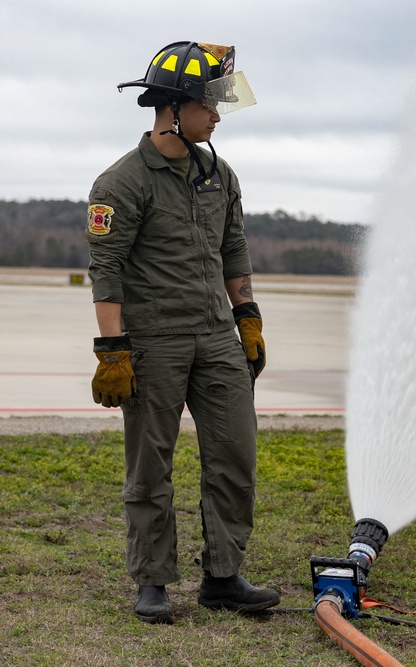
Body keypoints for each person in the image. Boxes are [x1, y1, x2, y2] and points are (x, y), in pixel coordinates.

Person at [86, 41, 277, 624]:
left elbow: (233, 247)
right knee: (151, 465)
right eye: (209, 103)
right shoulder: (121, 182)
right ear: (172, 108)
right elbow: (106, 269)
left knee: (234, 456)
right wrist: (113, 351)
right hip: (154, 341)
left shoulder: (221, 174)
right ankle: (153, 580)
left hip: (217, 337)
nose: (218, 114)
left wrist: (248, 319)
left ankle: (222, 576)